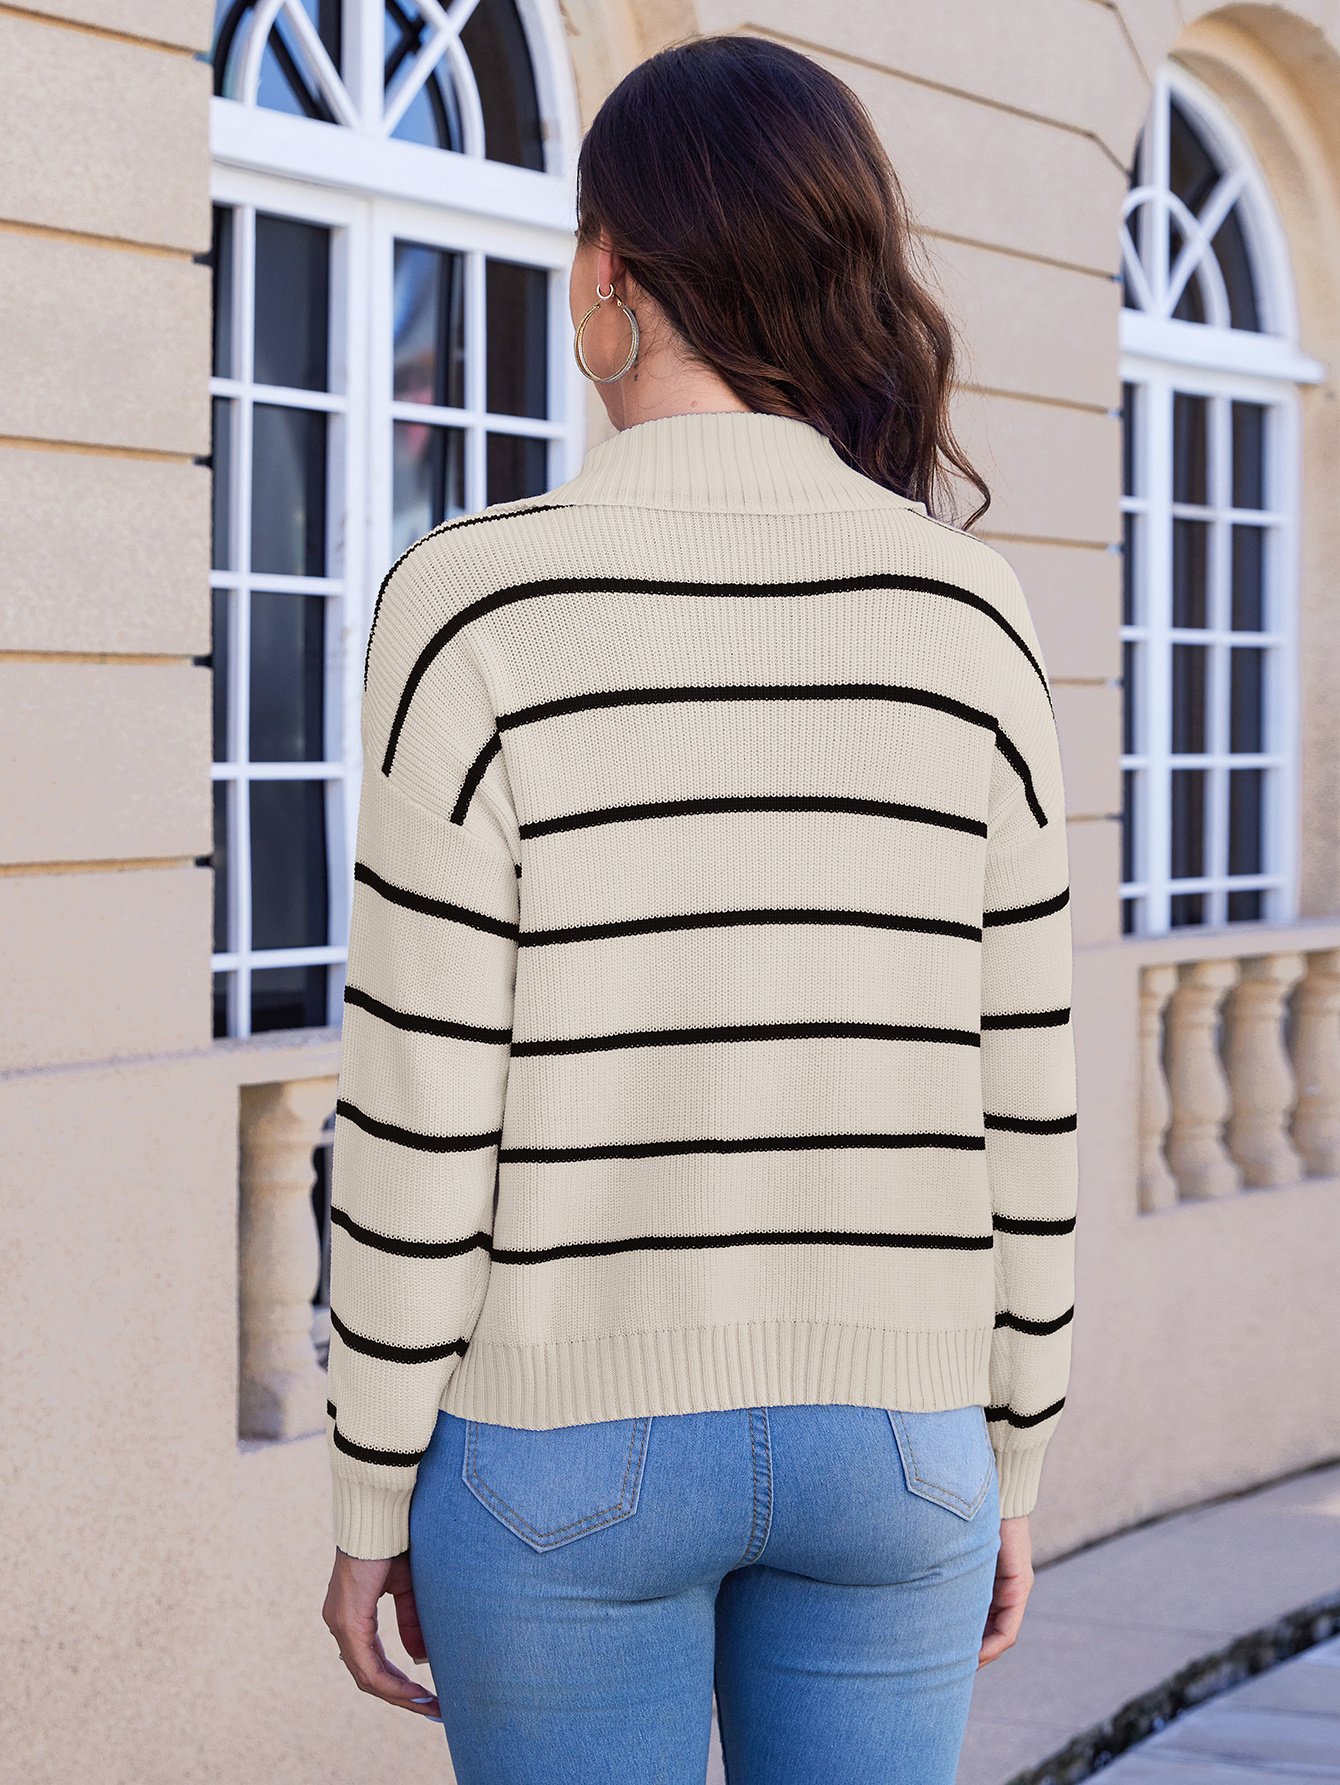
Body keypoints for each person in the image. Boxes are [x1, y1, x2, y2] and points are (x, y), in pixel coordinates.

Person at [321, 30, 1078, 1785]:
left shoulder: (470, 608)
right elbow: (1023, 1087)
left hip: (556, 1440)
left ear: (613, 276)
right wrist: (1015, 1453)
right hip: (900, 1439)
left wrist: (370, 1488)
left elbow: (421, 1094)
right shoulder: (972, 618)